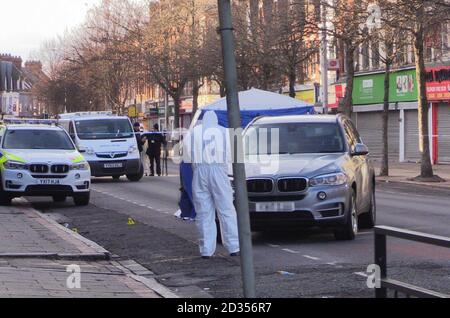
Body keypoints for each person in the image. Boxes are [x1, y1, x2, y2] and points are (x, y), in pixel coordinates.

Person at [184, 111, 240, 259]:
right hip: (219, 171)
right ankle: (233, 246)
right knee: (226, 209)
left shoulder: (194, 132)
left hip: (200, 172)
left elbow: (187, 155)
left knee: (203, 212)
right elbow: (233, 154)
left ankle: (206, 250)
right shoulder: (224, 132)